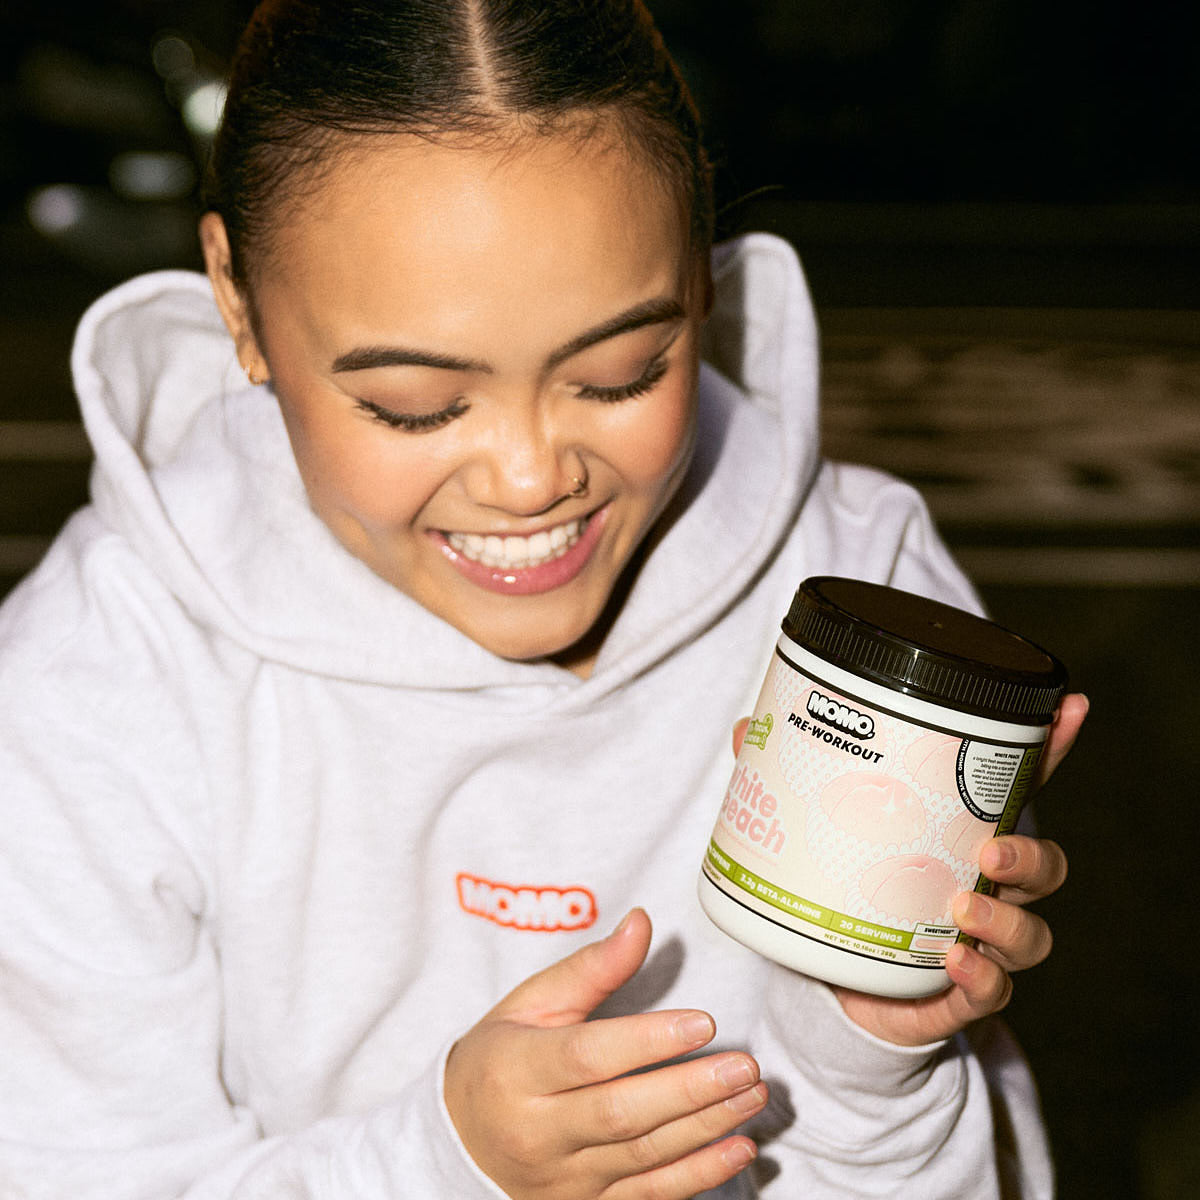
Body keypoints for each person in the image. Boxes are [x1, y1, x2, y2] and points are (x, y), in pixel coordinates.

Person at [0, 1, 1086, 1196]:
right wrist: (444, 1164)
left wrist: (875, 1050)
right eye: (415, 403)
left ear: (699, 279)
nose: (531, 480)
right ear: (235, 299)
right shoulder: (96, 678)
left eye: (620, 375)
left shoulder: (858, 611)